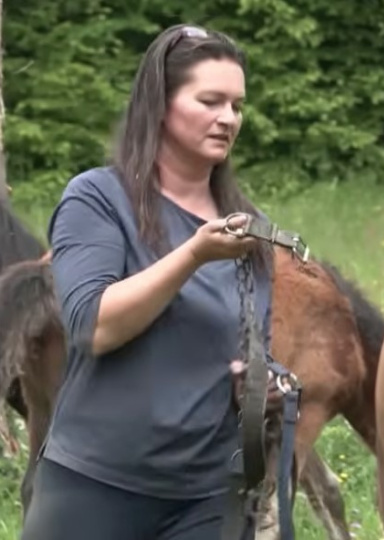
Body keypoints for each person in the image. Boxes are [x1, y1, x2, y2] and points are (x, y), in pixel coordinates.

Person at [20, 24, 283, 539]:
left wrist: (259, 382)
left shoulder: (246, 225)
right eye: (210, 100)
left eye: (237, 105)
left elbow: (250, 342)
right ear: (160, 104)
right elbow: (92, 326)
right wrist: (193, 255)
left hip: (207, 498)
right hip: (93, 487)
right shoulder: (97, 199)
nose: (228, 118)